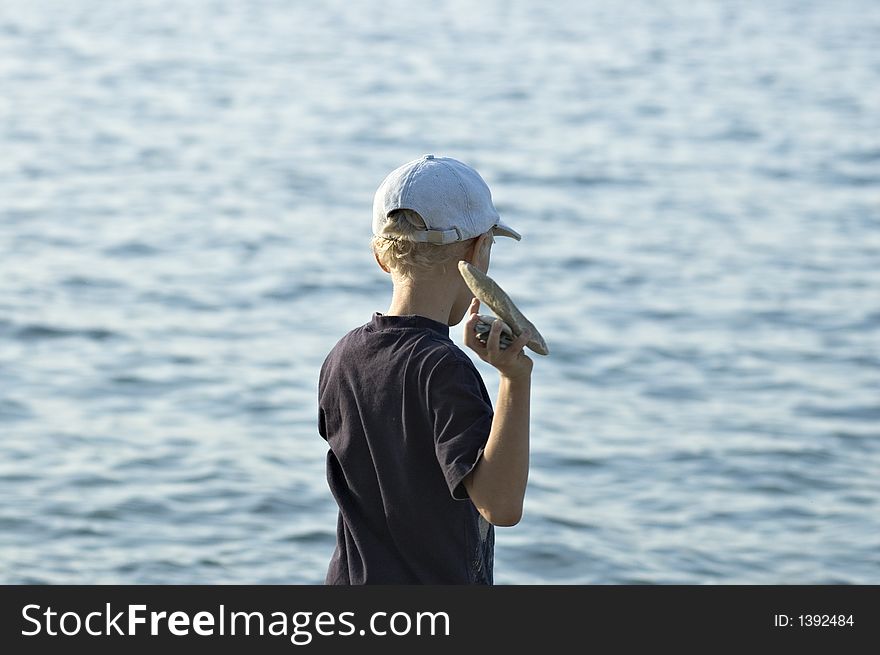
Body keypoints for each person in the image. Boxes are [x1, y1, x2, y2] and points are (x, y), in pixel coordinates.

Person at [318, 154, 534, 584]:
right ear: (479, 252)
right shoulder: (444, 368)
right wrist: (515, 378)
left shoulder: (342, 357)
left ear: (382, 257)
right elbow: (500, 506)